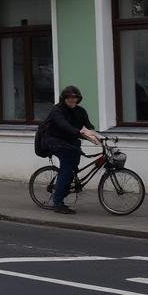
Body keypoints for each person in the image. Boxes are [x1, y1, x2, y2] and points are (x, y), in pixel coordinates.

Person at [41, 85, 100, 214]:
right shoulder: (57, 110)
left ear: (79, 99)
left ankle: (65, 186)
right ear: (64, 98)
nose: (73, 100)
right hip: (54, 141)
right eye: (69, 98)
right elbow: (64, 125)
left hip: (71, 141)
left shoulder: (80, 111)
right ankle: (58, 202)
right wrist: (79, 132)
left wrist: (100, 137)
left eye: (75, 98)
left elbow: (89, 126)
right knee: (67, 167)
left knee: (73, 166)